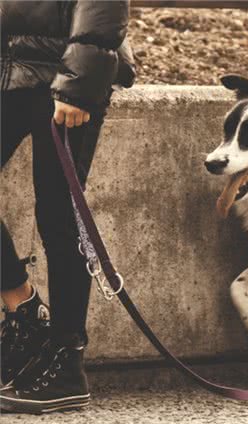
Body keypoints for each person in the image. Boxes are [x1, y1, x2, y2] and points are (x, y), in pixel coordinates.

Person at [0, 0, 135, 413]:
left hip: (64, 75)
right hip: (9, 69)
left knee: (59, 214)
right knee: (58, 213)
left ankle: (66, 357)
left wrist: (78, 83)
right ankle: (22, 307)